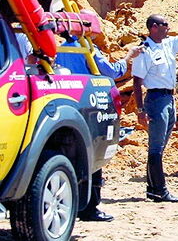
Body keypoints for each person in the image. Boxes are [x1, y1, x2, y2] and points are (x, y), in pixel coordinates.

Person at [56, 40, 141, 222]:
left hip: (65, 103)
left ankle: (71, 204)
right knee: (93, 156)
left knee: (70, 156)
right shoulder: (88, 48)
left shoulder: (61, 48)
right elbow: (111, 71)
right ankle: (90, 208)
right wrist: (128, 57)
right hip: (88, 104)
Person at [132, 11, 178, 202]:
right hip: (156, 98)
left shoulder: (168, 44)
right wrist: (140, 110)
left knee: (160, 147)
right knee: (155, 146)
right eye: (164, 24)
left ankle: (154, 189)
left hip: (169, 98)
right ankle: (159, 190)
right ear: (154, 27)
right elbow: (137, 81)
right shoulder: (144, 50)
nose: (168, 27)